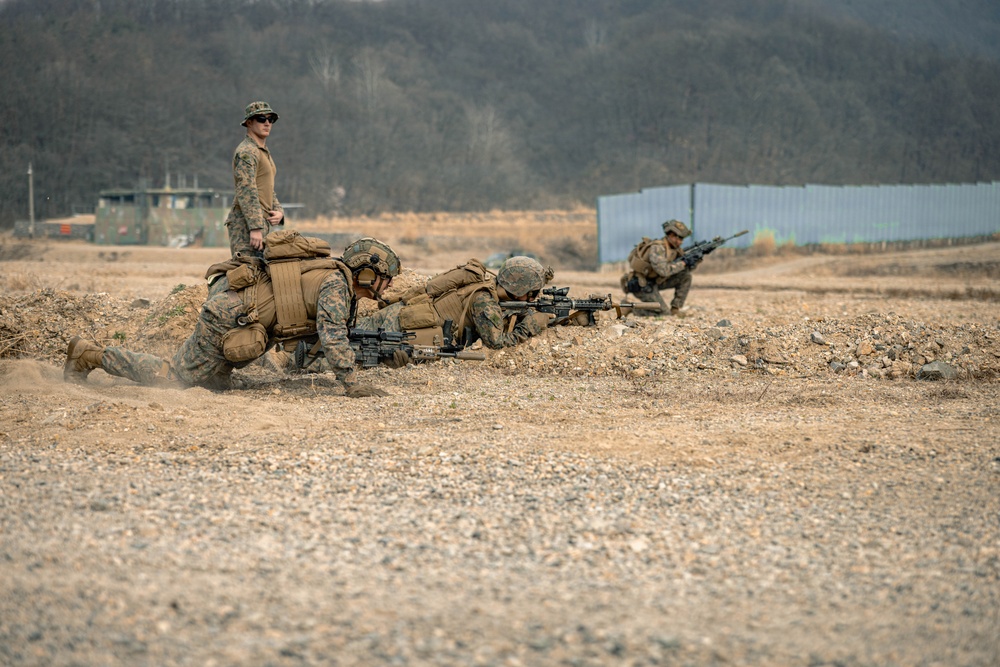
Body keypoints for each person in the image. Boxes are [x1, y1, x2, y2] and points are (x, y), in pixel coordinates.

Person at [63, 237, 402, 398]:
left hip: (239, 312)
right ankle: (89, 355)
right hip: (229, 316)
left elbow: (321, 334)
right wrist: (352, 383)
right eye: (385, 279)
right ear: (369, 274)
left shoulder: (334, 278)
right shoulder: (334, 284)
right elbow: (332, 337)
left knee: (216, 385)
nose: (386, 287)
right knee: (175, 378)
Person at [225, 101, 285, 258]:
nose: (267, 123)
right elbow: (246, 189)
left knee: (261, 276)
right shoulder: (247, 152)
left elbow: (267, 188)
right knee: (247, 274)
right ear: (249, 123)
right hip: (245, 224)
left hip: (260, 222)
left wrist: (279, 211)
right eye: (261, 119)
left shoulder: (262, 151)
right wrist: (255, 227)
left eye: (271, 119)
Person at [620, 219, 700, 316]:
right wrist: (683, 263)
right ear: (671, 235)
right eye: (679, 238)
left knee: (686, 276)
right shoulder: (658, 248)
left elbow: (684, 270)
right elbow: (663, 271)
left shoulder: (674, 249)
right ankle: (629, 308)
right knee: (664, 313)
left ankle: (675, 309)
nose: (681, 242)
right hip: (642, 285)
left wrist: (694, 260)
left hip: (655, 281)